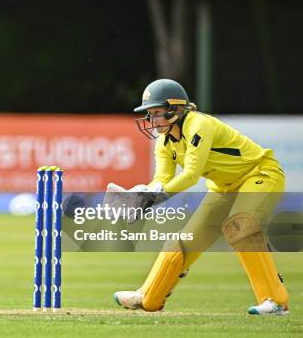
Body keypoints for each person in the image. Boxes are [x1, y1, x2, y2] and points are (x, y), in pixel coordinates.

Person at [112, 79, 289, 315]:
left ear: (174, 109)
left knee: (241, 227)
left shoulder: (199, 125)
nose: (152, 120)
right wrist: (143, 194)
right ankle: (149, 295)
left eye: (156, 112)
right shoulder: (164, 142)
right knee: (183, 242)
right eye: (149, 114)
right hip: (222, 186)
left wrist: (155, 198)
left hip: (260, 173)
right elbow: (161, 179)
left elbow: (192, 175)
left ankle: (276, 301)